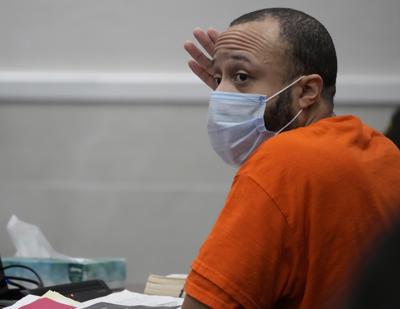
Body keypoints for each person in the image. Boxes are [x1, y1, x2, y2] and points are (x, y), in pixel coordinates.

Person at [181, 7, 400, 309]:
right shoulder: (383, 150)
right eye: (219, 79)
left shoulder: (280, 162)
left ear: (307, 91)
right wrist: (241, 88)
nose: (221, 95)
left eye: (242, 77)